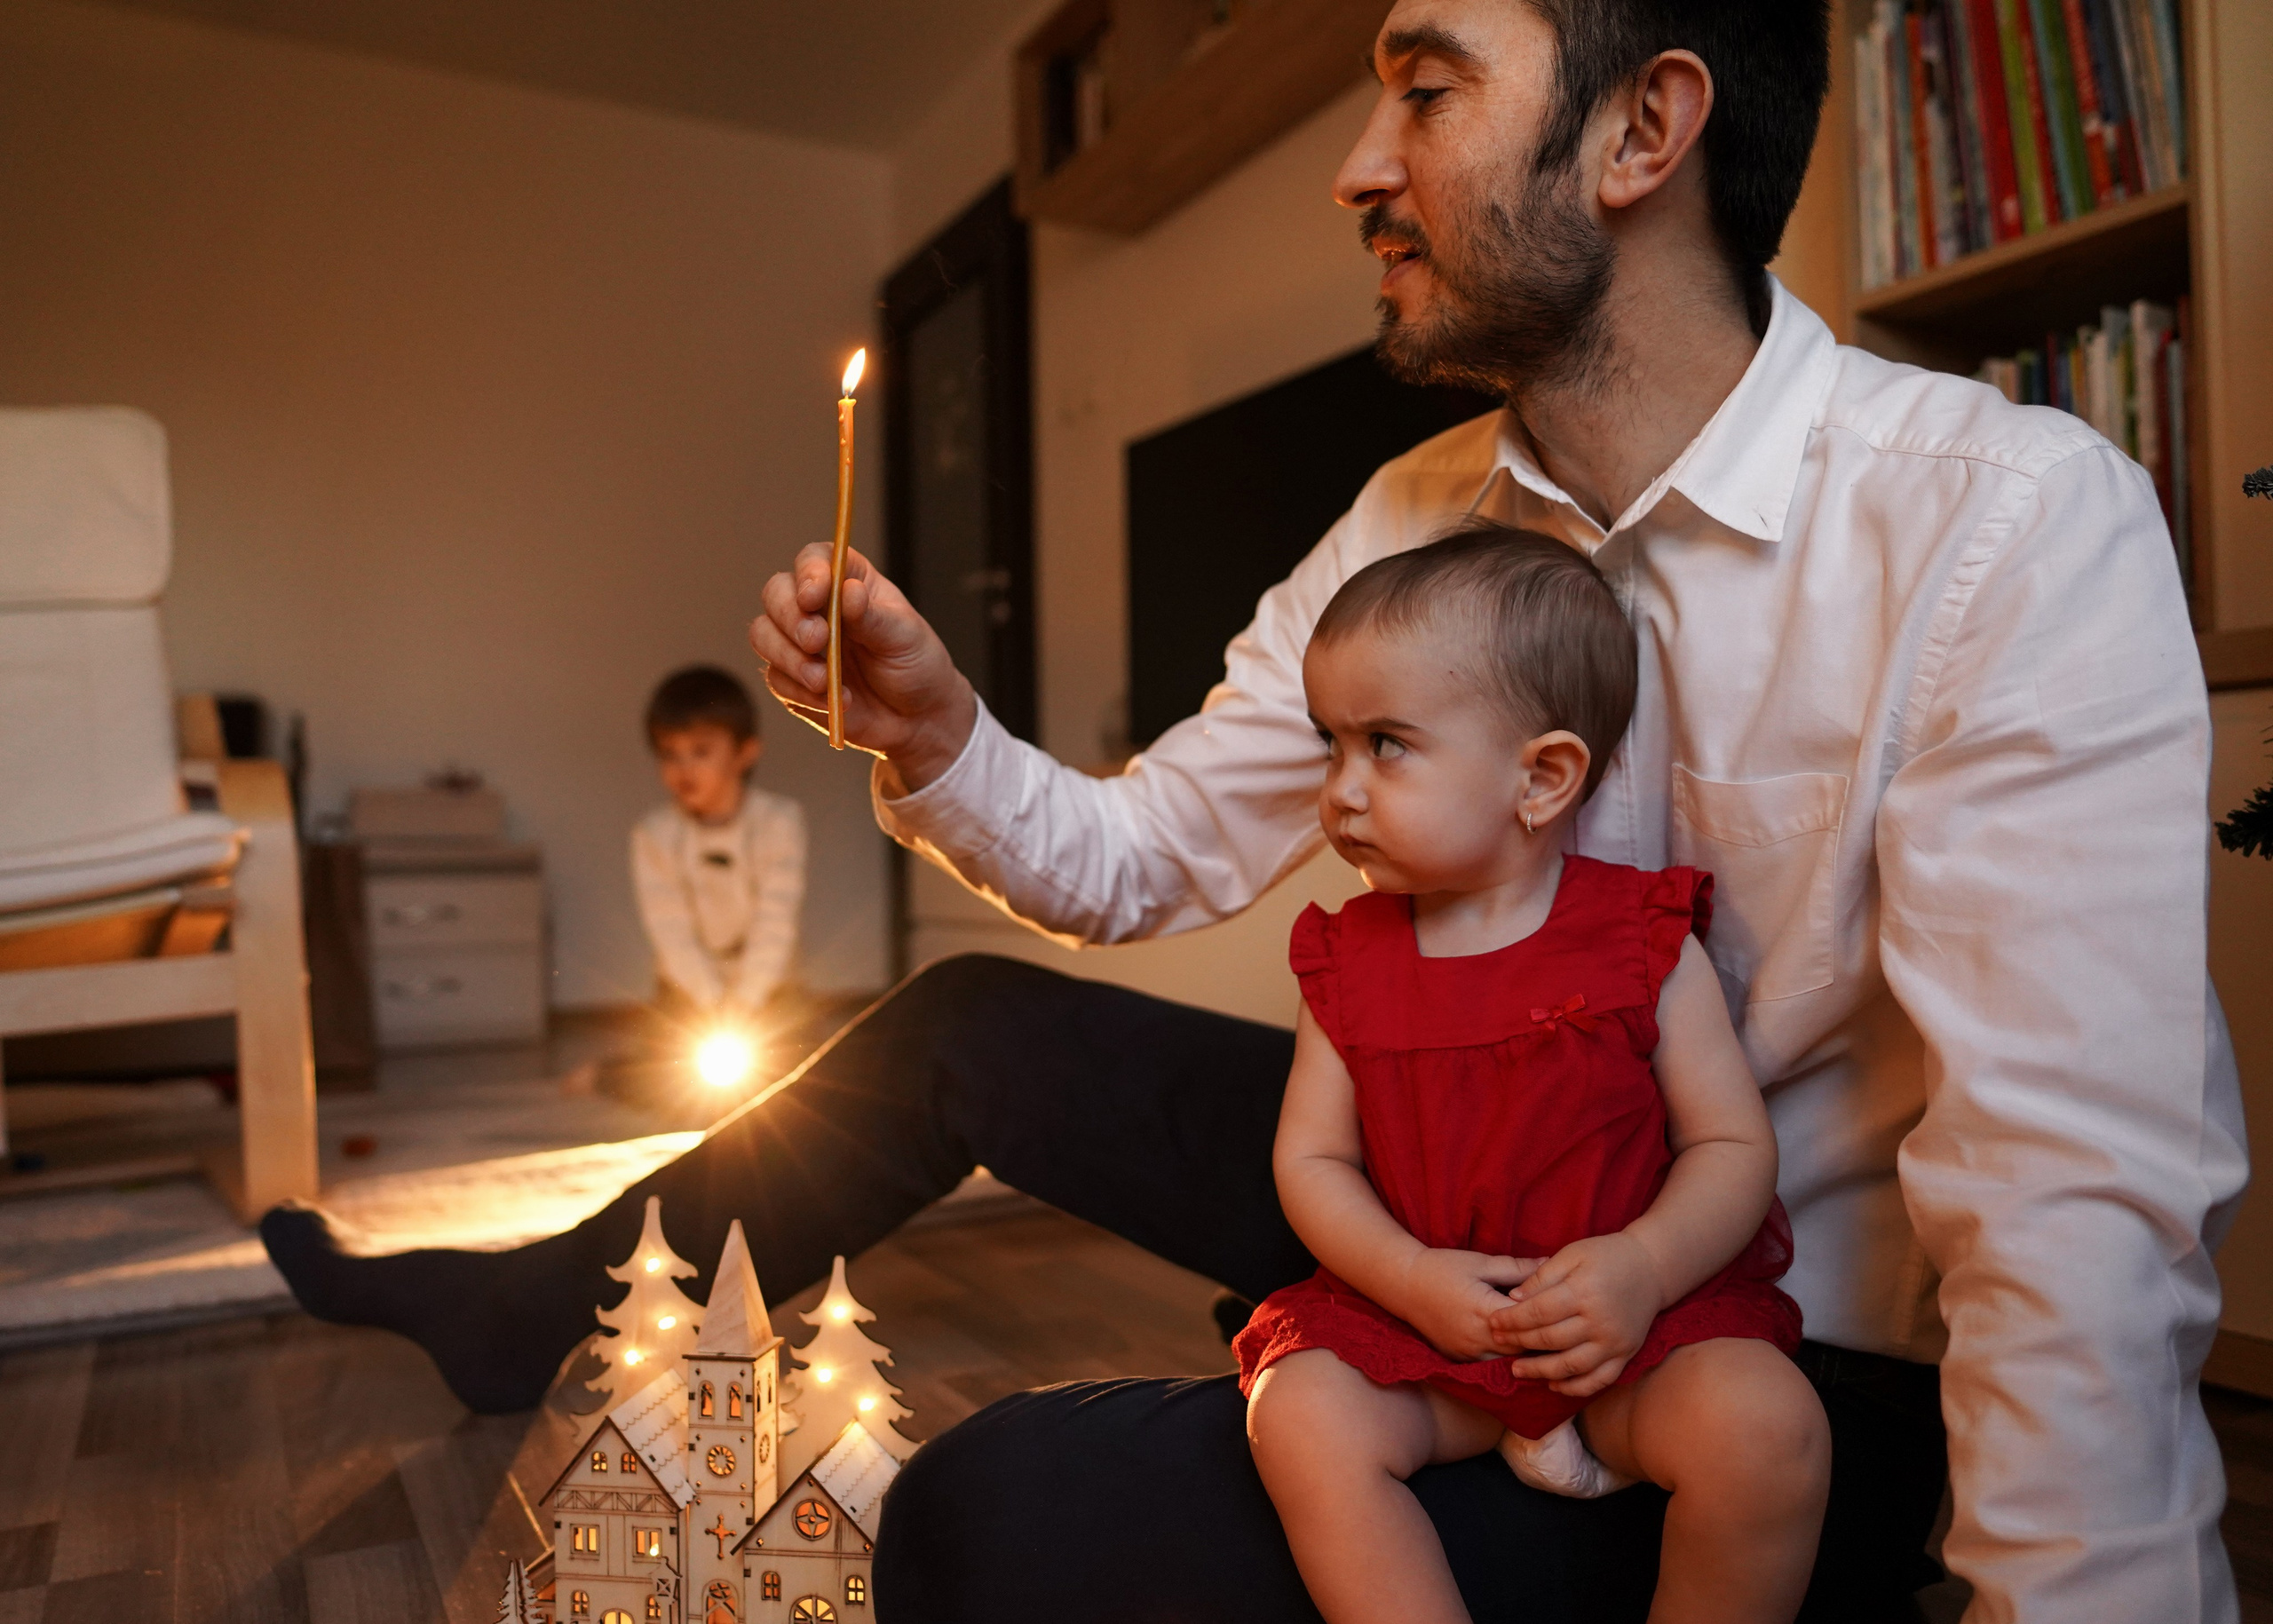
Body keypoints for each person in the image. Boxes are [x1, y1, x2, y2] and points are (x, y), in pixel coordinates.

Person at [262, 0, 2244, 1618]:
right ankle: (525, 1304)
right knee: (966, 1024)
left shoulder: (1999, 523)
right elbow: (1135, 859)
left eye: (1422, 86)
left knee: (983, 1515)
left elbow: (2069, 1196)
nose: (1359, 166)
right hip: (1431, 1195)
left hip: (1736, 1335)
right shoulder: (1406, 519)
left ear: (1643, 130)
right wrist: (940, 729)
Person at [1239, 526, 1825, 1624]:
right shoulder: (1347, 958)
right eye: (1332, 745)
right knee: (1297, 1411)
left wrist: (1644, 1269)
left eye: (1387, 744)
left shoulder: (1638, 938)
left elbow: (1731, 1145)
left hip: (1633, 1333)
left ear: (1542, 776)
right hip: (1430, 1329)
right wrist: (1410, 1278)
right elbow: (1312, 1156)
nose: (1342, 790)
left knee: (1768, 1426)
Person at [630, 665, 806, 1028]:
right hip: (686, 990)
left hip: (769, 987)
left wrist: (744, 1001)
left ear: (745, 752)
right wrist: (711, 1002)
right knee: (665, 1074)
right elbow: (669, 929)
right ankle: (607, 1072)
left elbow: (776, 921)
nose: (684, 768)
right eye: (669, 754)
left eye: (700, 752)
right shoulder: (654, 835)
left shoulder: (779, 822)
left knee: (805, 1070)